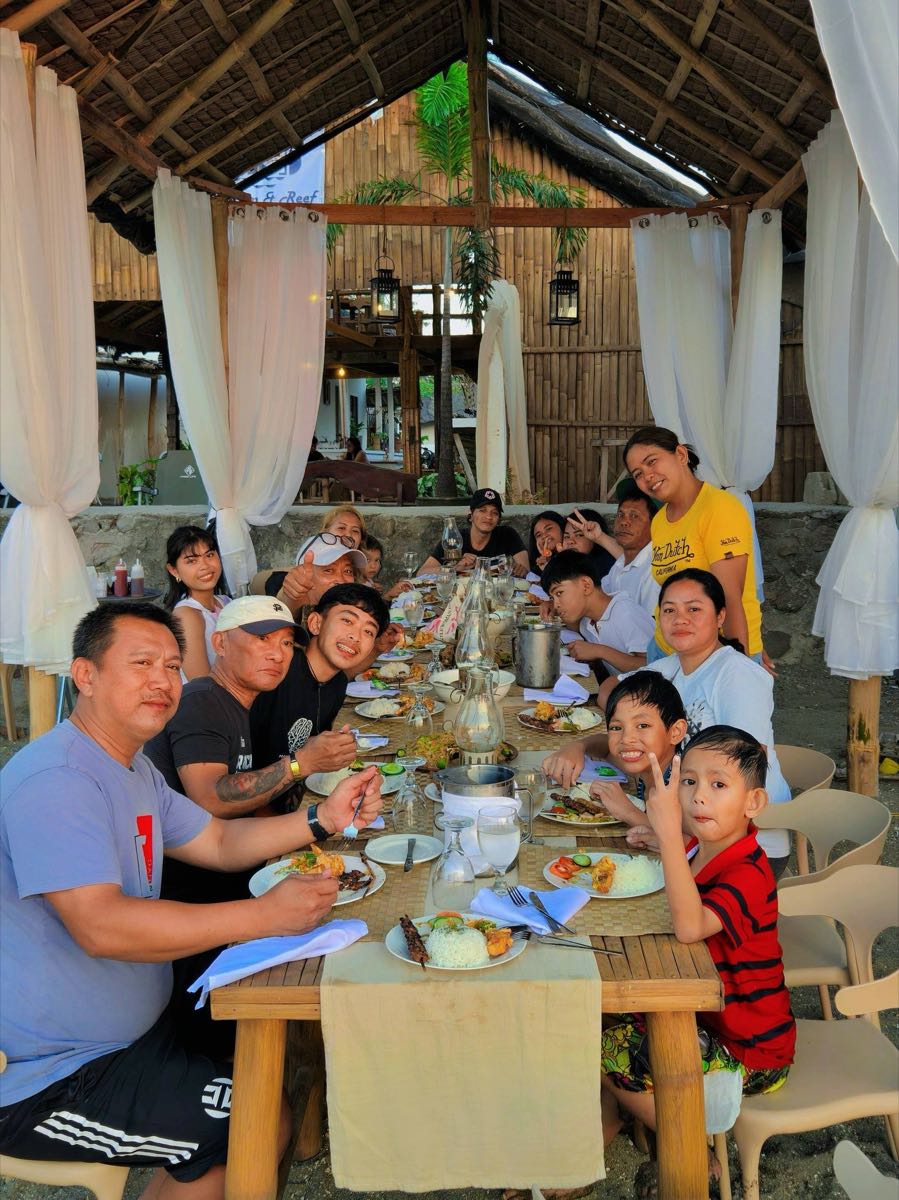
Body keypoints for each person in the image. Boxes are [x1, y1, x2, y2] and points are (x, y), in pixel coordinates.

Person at [0, 601, 382, 1197]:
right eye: (142, 663)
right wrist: (259, 916)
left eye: (173, 665)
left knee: (266, 1089)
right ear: (86, 676)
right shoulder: (57, 781)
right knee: (250, 1120)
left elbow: (222, 839)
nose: (162, 680)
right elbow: (100, 927)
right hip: (56, 1074)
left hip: (138, 1034)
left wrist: (323, 817)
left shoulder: (130, 768)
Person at [600, 727, 795, 1198]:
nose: (698, 797)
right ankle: (593, 1144)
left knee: (606, 1042)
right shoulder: (705, 850)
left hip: (751, 1051)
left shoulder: (748, 870)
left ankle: (687, 1146)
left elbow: (689, 928)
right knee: (601, 1012)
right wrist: (662, 833)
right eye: (688, 782)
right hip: (709, 1014)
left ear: (754, 803)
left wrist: (668, 834)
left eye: (718, 785)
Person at [600, 568, 790, 876]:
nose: (680, 619)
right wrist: (582, 746)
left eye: (694, 609)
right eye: (669, 610)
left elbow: (743, 776)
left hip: (745, 844)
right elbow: (613, 689)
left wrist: (645, 820)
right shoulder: (669, 668)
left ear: (719, 617)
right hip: (691, 827)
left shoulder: (737, 676)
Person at [623, 425, 770, 668]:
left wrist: (739, 661)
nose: (647, 476)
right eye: (637, 473)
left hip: (712, 654)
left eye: (652, 462)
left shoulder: (719, 508)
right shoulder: (660, 520)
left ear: (681, 455)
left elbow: (730, 598)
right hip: (666, 648)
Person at [250, 583, 390, 782]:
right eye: (347, 620)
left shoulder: (337, 684)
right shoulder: (277, 673)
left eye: (368, 631)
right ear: (316, 623)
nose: (355, 637)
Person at [578, 671, 687, 830]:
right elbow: (606, 750)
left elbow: (693, 848)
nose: (626, 738)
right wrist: (577, 747)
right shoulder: (646, 768)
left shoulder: (686, 786)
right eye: (616, 728)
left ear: (675, 732)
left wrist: (628, 811)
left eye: (643, 726)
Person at [542, 550, 655, 679]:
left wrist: (599, 651)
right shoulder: (588, 620)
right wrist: (550, 605)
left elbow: (652, 666)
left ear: (586, 586)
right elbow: (574, 626)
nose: (556, 604)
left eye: (559, 593)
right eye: (552, 597)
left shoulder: (625, 612)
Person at [567, 484, 660, 615]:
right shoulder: (620, 564)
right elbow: (594, 598)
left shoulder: (654, 571)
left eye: (634, 516)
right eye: (620, 514)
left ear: (655, 525)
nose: (624, 522)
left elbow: (648, 631)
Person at [162, 524, 230, 679]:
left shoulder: (225, 602)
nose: (205, 566)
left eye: (210, 555)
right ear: (174, 570)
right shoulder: (186, 615)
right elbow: (201, 686)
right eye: (192, 561)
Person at [417, 488, 529, 577]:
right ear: (471, 514)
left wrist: (519, 570)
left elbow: (526, 571)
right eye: (482, 510)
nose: (488, 517)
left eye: (494, 513)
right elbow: (422, 573)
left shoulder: (507, 535)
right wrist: (455, 568)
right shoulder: (455, 539)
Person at [561, 507, 616, 582]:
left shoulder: (609, 564)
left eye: (579, 535)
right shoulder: (565, 564)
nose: (570, 541)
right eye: (566, 536)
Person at [361, 533, 413, 600]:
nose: (373, 566)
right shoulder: (357, 589)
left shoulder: (367, 581)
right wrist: (388, 595)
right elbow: (372, 609)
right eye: (367, 560)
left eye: (377, 560)